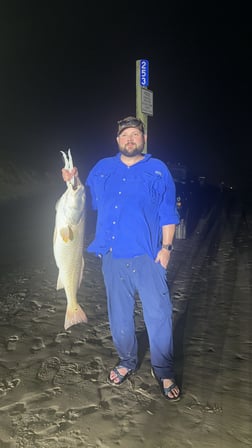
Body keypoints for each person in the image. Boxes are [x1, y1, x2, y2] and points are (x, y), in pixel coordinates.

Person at [62, 116, 181, 401]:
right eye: (125, 134)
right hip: (113, 258)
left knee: (159, 315)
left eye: (135, 135)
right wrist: (73, 182)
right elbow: (83, 203)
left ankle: (163, 370)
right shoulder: (103, 169)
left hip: (149, 257)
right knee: (120, 318)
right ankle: (127, 361)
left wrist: (166, 248)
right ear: (117, 141)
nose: (130, 139)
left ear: (144, 140)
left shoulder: (158, 169)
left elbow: (168, 212)